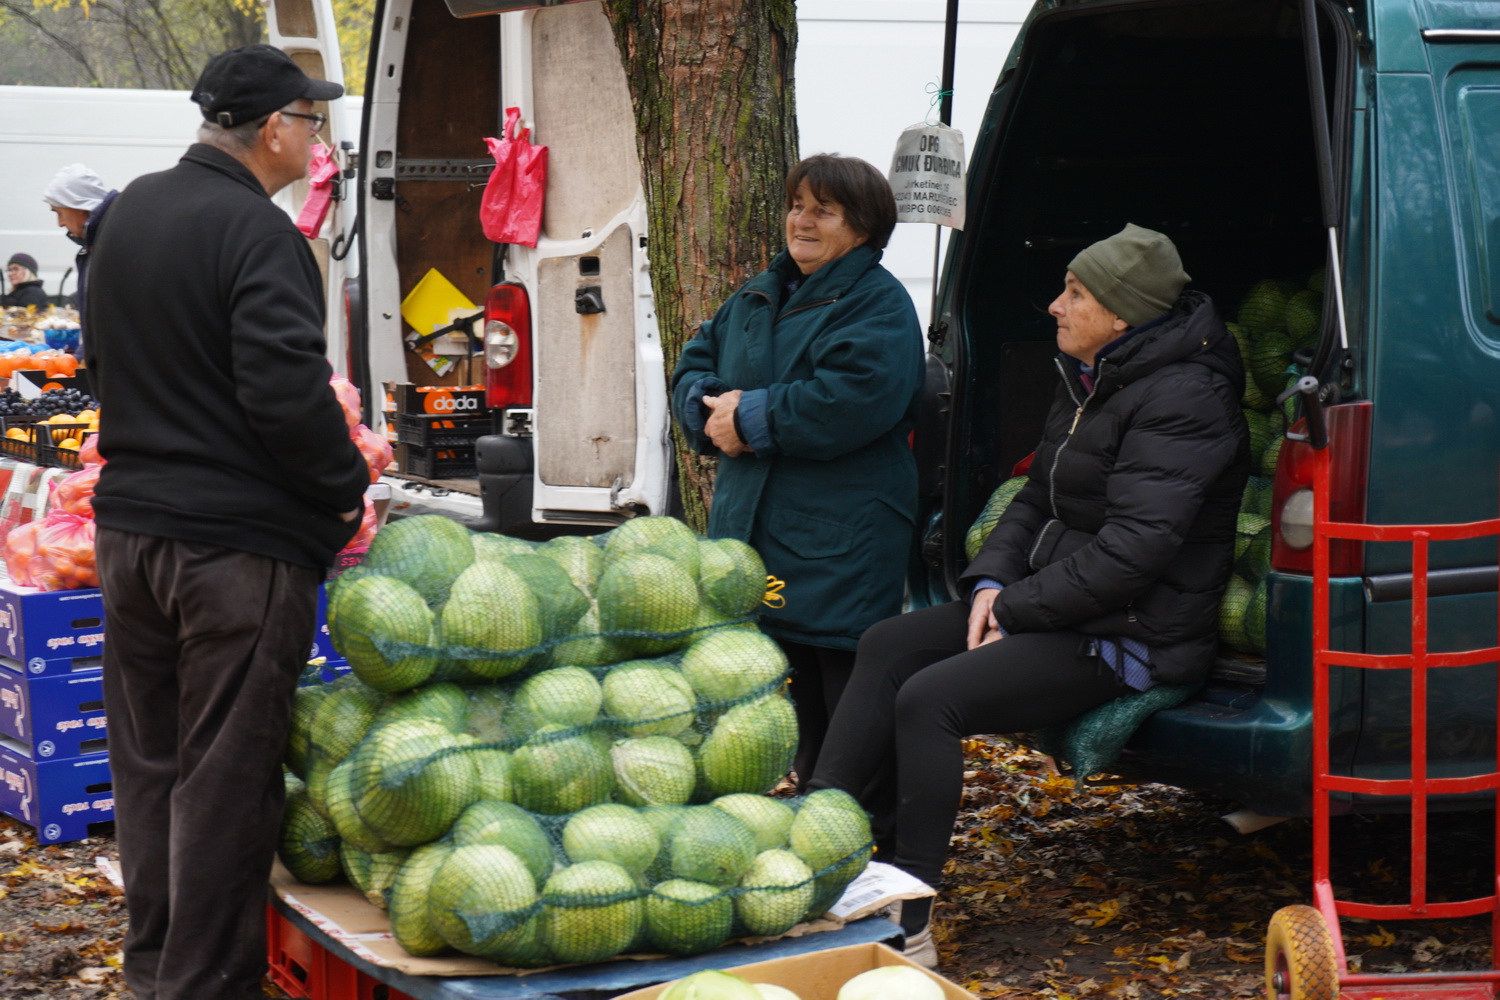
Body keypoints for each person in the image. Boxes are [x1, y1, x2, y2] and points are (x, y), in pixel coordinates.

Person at [809, 224, 1250, 966]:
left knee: (931, 699)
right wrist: (990, 584)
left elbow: (1133, 555)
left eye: (1074, 293)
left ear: (1121, 314)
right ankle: (820, 855)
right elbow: (1034, 498)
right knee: (886, 645)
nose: (1054, 305)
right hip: (1060, 605)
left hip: (1130, 633)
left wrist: (1012, 610)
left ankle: (908, 920)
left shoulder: (1188, 400)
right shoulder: (1092, 378)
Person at [85, 45, 368, 1000]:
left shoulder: (128, 212)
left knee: (152, 765)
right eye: (312, 121)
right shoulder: (258, 232)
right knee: (224, 781)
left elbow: (101, 362)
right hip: (233, 552)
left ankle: (157, 971)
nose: (317, 140)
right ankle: (203, 986)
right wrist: (342, 490)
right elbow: (285, 393)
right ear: (274, 128)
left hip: (130, 536)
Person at [671, 154, 923, 792]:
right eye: (797, 205)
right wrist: (711, 412)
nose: (802, 221)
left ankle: (869, 829)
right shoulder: (758, 293)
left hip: (841, 535)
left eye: (823, 211)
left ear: (862, 228)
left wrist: (749, 416)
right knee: (791, 692)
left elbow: (853, 399)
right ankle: (811, 814)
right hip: (757, 527)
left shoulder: (877, 304)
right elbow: (694, 364)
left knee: (846, 691)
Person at [43, 163, 118, 327]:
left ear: (78, 207)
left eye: (59, 213)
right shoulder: (96, 243)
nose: (60, 223)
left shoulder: (111, 244)